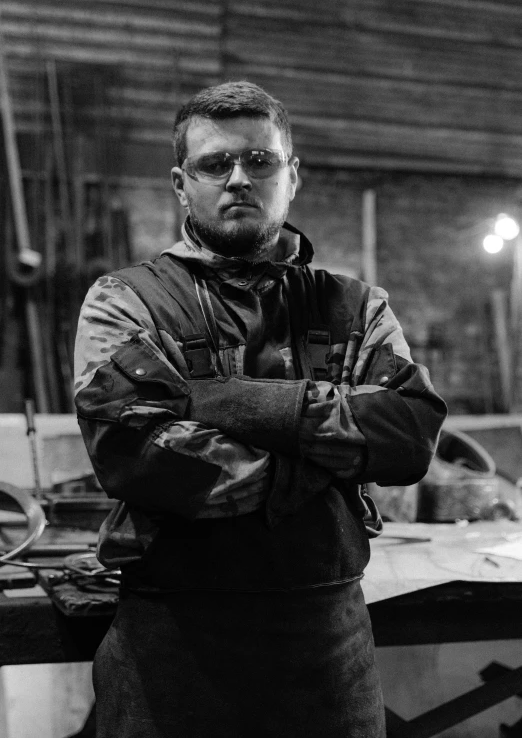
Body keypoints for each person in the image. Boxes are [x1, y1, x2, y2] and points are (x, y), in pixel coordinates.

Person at [74, 80, 447, 738]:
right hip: (170, 645)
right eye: (216, 164)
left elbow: (411, 433)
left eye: (260, 161)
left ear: (292, 176)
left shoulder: (357, 306)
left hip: (329, 645)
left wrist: (227, 400)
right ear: (180, 183)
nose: (239, 178)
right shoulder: (123, 300)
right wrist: (322, 459)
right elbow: (138, 458)